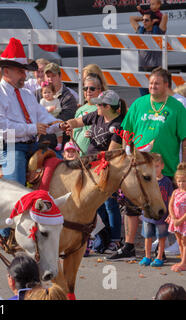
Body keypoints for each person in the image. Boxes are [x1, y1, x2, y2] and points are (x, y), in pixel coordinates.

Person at [0, 38, 62, 239]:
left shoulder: (26, 95)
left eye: (24, 70)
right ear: (6, 71)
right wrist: (32, 128)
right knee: (16, 187)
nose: (24, 75)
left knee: (59, 165)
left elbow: (43, 116)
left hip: (29, 143)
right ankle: (6, 232)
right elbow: (1, 127)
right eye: (20, 70)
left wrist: (61, 124)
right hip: (7, 145)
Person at [107, 68, 186, 261]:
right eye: (150, 83)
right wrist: (125, 155)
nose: (152, 86)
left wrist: (183, 166)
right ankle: (129, 245)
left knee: (164, 211)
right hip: (137, 168)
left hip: (165, 168)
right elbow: (126, 132)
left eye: (156, 83)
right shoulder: (139, 104)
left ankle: (162, 250)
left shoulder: (177, 108)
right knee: (132, 206)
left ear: (166, 85)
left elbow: (184, 140)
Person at [66, 90, 126, 252]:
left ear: (108, 107)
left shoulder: (118, 125)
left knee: (110, 205)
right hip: (91, 169)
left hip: (106, 170)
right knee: (95, 206)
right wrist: (66, 124)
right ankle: (101, 237)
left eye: (100, 104)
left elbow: (110, 153)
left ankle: (115, 240)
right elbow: (77, 121)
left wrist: (91, 162)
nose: (96, 106)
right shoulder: (96, 116)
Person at [139, 153, 173, 267]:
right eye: (152, 167)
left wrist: (170, 214)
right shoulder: (147, 180)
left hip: (161, 215)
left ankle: (159, 257)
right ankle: (147, 256)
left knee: (161, 236)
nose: (155, 169)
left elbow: (170, 199)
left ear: (162, 166)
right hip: (148, 214)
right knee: (147, 236)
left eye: (157, 166)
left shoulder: (167, 182)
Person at [36, 62, 78, 151]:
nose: (50, 79)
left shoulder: (68, 98)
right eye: (48, 76)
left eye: (53, 76)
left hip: (58, 144)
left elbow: (65, 120)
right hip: (38, 140)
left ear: (60, 77)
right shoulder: (37, 94)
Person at [130, 9, 168, 96]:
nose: (144, 22)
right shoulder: (140, 30)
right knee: (144, 97)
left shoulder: (159, 31)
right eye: (143, 20)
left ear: (152, 21)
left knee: (156, 95)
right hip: (142, 68)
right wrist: (143, 16)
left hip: (155, 69)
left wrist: (156, 18)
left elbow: (165, 16)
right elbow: (131, 18)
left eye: (146, 20)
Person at [73, 73, 104, 156]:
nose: (88, 91)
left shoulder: (101, 108)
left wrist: (94, 133)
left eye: (92, 89)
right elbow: (74, 132)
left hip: (92, 154)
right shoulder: (80, 109)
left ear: (99, 90)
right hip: (77, 154)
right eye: (85, 88)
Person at [166, 162, 186, 272]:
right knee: (179, 241)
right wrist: (173, 217)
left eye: (184, 181)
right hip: (176, 221)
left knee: (184, 241)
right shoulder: (175, 192)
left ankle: (184, 263)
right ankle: (183, 260)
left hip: (184, 222)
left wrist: (180, 220)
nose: (181, 183)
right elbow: (170, 205)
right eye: (179, 181)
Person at [39, 81, 63, 151]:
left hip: (54, 119)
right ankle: (37, 141)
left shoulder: (56, 100)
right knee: (40, 128)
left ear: (53, 92)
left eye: (49, 92)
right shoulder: (42, 101)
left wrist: (53, 111)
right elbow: (41, 110)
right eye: (45, 93)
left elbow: (59, 109)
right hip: (45, 119)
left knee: (59, 128)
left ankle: (59, 143)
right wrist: (48, 109)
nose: (47, 94)